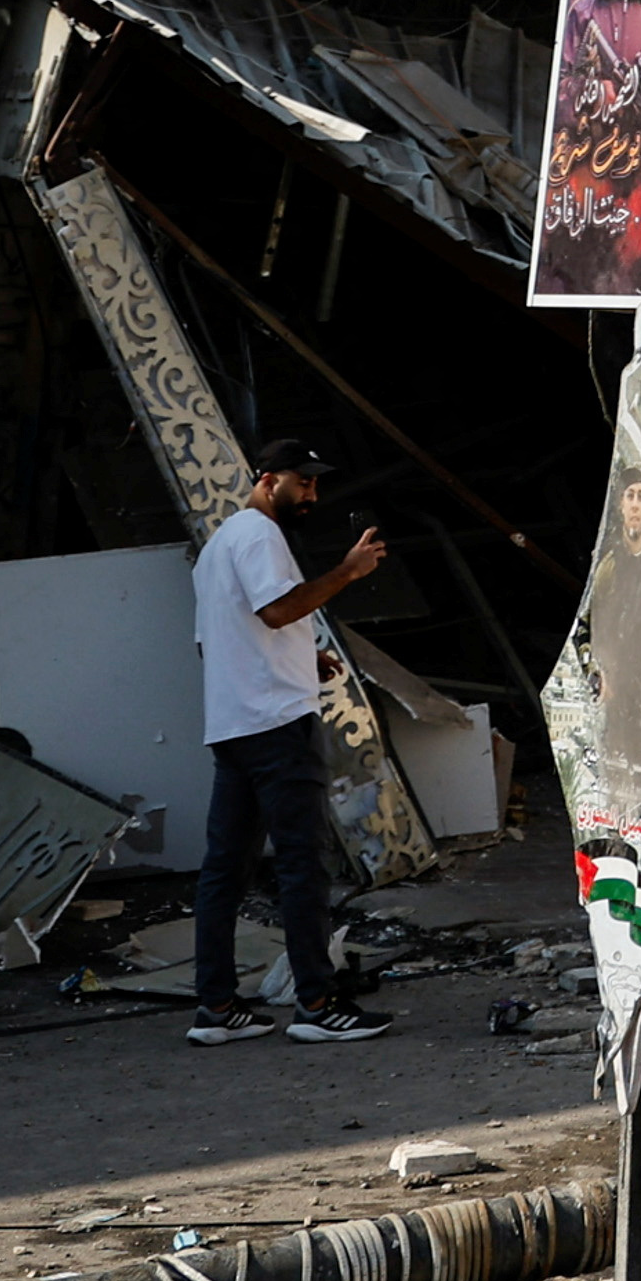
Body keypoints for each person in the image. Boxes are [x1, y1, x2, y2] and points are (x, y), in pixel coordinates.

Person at [184, 439, 392, 1044]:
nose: (312, 494)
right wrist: (348, 573)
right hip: (277, 724)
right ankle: (318, 1004)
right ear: (268, 478)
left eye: (316, 484)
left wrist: (305, 652)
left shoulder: (219, 546)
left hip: (233, 725)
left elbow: (223, 638)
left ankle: (216, 1009)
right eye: (303, 482)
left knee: (224, 869)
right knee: (304, 862)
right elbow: (276, 611)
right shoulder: (259, 535)